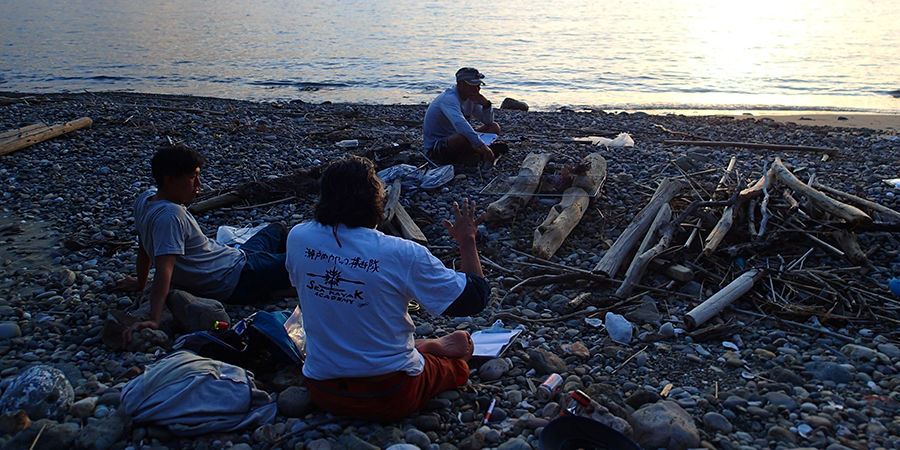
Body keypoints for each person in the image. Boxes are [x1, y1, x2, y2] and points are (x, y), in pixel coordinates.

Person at [285, 156, 490, 422]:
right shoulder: (401, 253)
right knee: (458, 365)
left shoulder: (298, 237)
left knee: (354, 322)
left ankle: (425, 346)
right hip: (390, 393)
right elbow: (475, 298)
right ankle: (427, 351)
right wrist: (467, 240)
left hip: (323, 389)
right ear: (376, 201)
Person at [116, 144, 292, 344]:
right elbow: (165, 269)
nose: (199, 184)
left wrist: (141, 282)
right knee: (303, 258)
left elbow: (144, 247)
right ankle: (291, 279)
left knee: (277, 229)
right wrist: (154, 320)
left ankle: (284, 274)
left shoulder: (145, 199)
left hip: (235, 257)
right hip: (237, 278)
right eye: (193, 177)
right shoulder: (171, 216)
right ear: (170, 180)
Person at [423, 67, 502, 167]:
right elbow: (459, 123)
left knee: (494, 127)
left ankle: (470, 154)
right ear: (460, 84)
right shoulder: (449, 98)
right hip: (438, 144)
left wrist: (487, 106)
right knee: (459, 138)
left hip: (460, 136)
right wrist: (482, 146)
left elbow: (488, 122)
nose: (476, 89)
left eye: (478, 86)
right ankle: (483, 153)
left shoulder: (471, 97)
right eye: (472, 86)